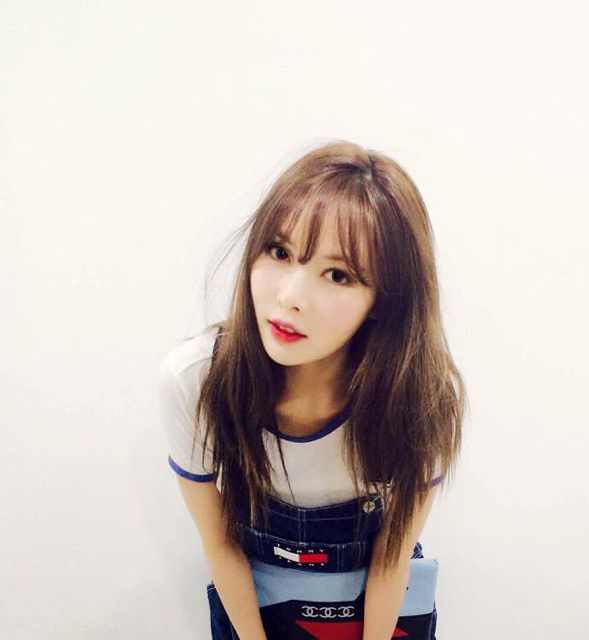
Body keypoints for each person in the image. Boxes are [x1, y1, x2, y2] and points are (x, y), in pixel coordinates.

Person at [157, 140, 466, 639]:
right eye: (280, 252)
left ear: (384, 301)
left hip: (374, 611)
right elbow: (219, 543)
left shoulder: (423, 399)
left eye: (337, 275)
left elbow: (391, 559)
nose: (290, 297)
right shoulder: (197, 380)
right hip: (255, 610)